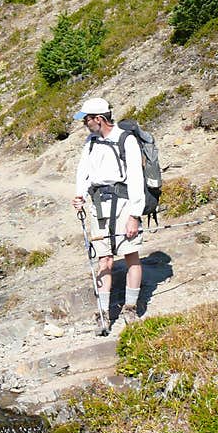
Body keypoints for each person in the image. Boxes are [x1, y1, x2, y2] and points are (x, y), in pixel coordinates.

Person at [71, 97, 143, 335]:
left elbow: (136, 179)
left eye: (86, 120)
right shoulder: (90, 142)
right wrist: (79, 195)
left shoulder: (126, 140)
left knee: (131, 254)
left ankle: (130, 308)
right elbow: (83, 172)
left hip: (124, 204)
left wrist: (134, 215)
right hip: (98, 205)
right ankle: (103, 314)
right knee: (104, 259)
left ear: (99, 119)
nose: (84, 124)